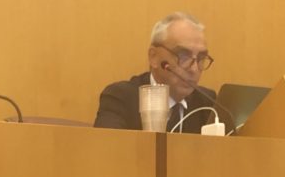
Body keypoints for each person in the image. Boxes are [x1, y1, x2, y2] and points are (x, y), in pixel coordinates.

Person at [94, 12, 232, 134]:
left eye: (201, 58)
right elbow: (108, 148)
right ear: (153, 57)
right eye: (183, 56)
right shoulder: (121, 97)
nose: (194, 69)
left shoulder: (208, 104)